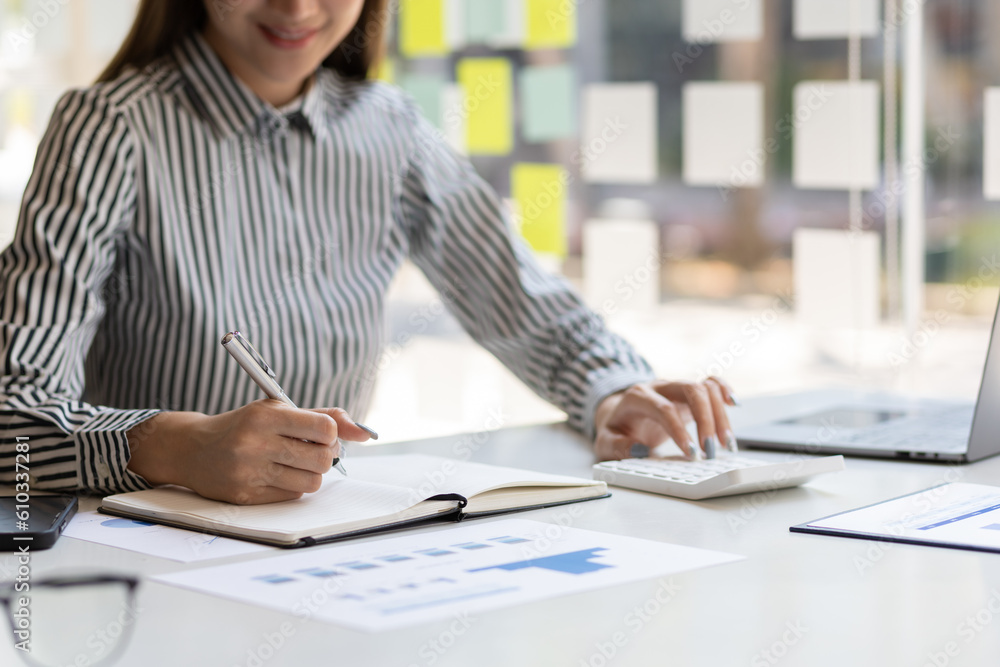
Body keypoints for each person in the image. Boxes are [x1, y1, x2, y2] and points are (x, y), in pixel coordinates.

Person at [0, 0, 737, 505]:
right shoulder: (108, 129)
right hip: (148, 576)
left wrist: (615, 391)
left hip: (332, 549)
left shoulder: (389, 130)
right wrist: (168, 446)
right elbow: (14, 424)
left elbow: (524, 302)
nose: (297, 8)